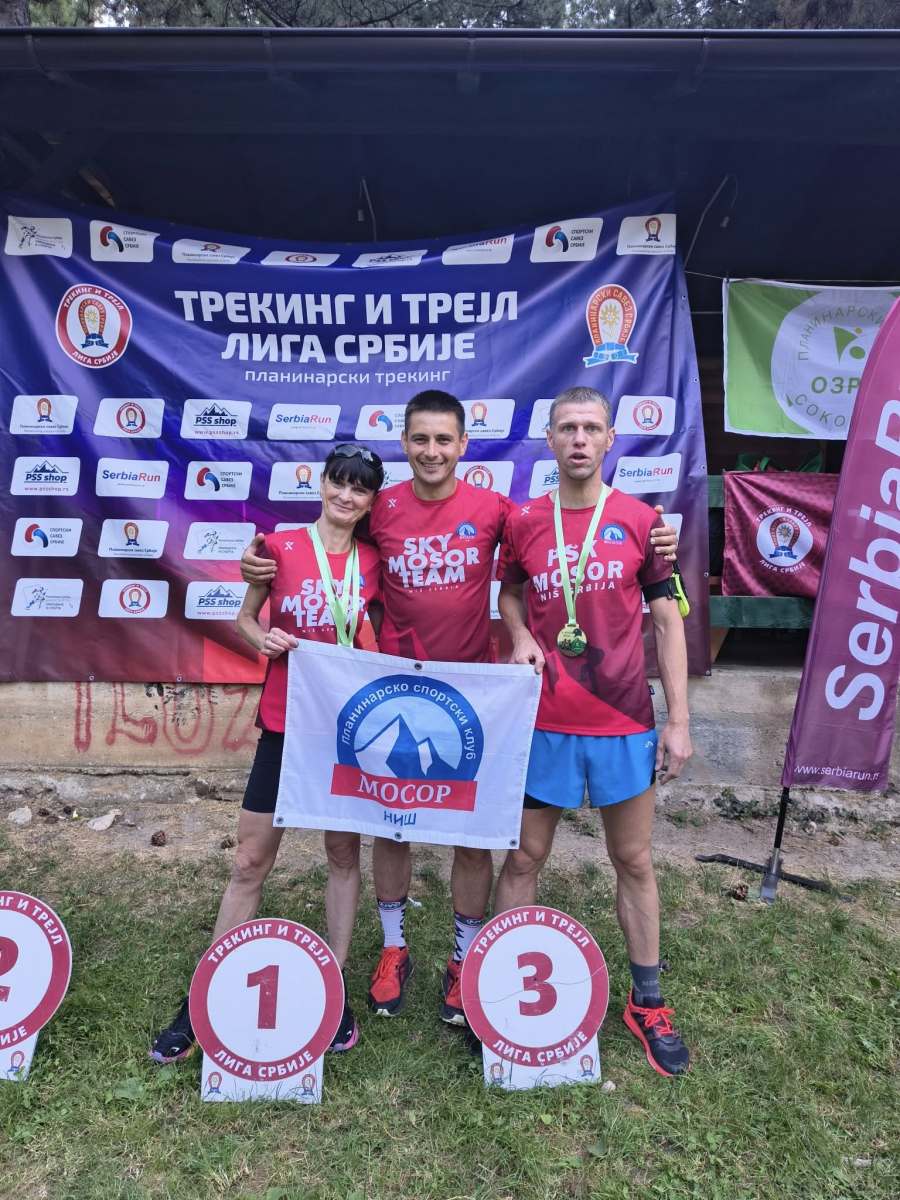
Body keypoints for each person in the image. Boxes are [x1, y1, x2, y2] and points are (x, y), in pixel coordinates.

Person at [241, 390, 681, 1030]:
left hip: (472, 693)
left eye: (443, 440)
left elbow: (543, 552)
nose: (431, 451)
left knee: (470, 836)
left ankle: (465, 957)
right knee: (392, 826)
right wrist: (259, 563)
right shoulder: (381, 510)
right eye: (419, 440)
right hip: (394, 689)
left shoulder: (499, 511)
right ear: (404, 443)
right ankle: (394, 947)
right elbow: (326, 538)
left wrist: (660, 534)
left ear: (463, 445)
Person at [150, 443, 385, 1063]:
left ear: (370, 501)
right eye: (339, 482)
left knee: (342, 853)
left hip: (347, 730)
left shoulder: (374, 559)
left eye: (360, 488)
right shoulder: (278, 548)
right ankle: (206, 991)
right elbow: (245, 620)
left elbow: (381, 632)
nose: (346, 495)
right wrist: (265, 640)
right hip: (285, 723)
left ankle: (333, 985)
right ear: (322, 485)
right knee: (251, 859)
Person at [495, 385, 693, 1077]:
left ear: (610, 439)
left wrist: (679, 721)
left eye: (591, 428)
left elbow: (667, 620)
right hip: (545, 720)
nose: (579, 439)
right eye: (567, 428)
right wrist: (519, 633)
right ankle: (504, 991)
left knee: (633, 859)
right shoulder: (524, 520)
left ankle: (647, 1002)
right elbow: (509, 592)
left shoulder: (641, 522)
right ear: (549, 440)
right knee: (524, 858)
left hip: (623, 721)